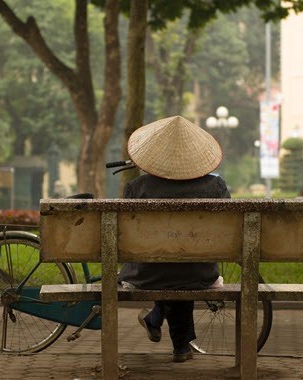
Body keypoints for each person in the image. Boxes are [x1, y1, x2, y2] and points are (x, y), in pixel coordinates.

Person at [118, 115, 229, 363]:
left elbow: (124, 236)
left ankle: (158, 321)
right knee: (182, 266)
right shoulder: (215, 187)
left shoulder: (137, 188)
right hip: (200, 273)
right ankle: (178, 345)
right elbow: (229, 230)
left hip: (146, 274)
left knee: (166, 263)